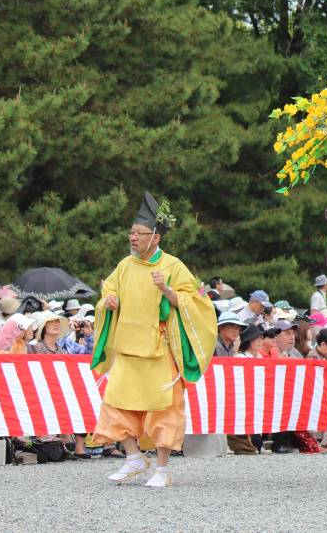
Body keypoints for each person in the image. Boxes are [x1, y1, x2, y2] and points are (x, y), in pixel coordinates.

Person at [91, 192, 216, 487]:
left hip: (159, 351)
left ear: (156, 238)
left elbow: (199, 302)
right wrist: (107, 300)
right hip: (127, 348)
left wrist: (169, 292)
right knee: (115, 405)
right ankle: (134, 457)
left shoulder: (173, 267)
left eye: (140, 233)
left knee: (164, 409)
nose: (133, 238)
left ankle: (162, 469)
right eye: (131, 232)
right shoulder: (124, 265)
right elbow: (109, 290)